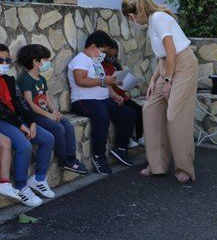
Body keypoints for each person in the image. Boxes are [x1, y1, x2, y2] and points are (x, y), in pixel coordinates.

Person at [121, 0, 198, 183]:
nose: (132, 21)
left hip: (183, 66)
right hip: (168, 66)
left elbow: (172, 52)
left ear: (132, 15)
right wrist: (155, 79)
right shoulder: (152, 22)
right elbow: (163, 57)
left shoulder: (159, 19)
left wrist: (168, 81)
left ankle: (185, 168)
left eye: (130, 18)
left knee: (175, 115)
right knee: (150, 110)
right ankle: (157, 165)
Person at [68, 31, 136, 175]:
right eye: (103, 50)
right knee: (101, 117)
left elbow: (105, 81)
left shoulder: (96, 61)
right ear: (93, 46)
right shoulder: (80, 60)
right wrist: (103, 81)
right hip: (83, 100)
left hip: (103, 99)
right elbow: (81, 80)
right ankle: (99, 155)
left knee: (128, 113)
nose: (103, 55)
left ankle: (121, 148)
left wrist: (114, 94)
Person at [16, 44, 88, 175]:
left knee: (67, 124)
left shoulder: (41, 79)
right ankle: (64, 160)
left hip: (45, 113)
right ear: (35, 62)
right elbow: (29, 103)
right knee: (58, 128)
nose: (48, 63)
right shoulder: (25, 79)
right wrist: (49, 116)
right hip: (35, 116)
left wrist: (54, 112)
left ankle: (71, 158)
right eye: (45, 60)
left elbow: (47, 97)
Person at [0, 44, 55, 206]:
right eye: (0, 60)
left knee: (47, 138)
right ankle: (21, 186)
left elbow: (21, 103)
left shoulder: (9, 80)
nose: (4, 63)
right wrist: (21, 126)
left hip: (14, 119)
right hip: (4, 120)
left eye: (7, 60)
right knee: (24, 145)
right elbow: (1, 109)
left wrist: (31, 122)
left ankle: (38, 178)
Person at [103, 40, 143, 147]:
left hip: (121, 96)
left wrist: (131, 83)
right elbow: (108, 84)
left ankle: (140, 136)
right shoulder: (101, 66)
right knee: (129, 113)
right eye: (110, 55)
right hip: (113, 97)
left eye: (115, 55)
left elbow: (121, 80)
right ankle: (126, 140)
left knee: (139, 110)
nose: (112, 57)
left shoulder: (114, 65)